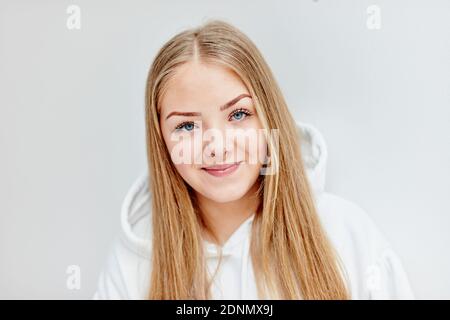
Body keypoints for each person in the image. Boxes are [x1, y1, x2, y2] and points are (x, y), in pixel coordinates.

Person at [93, 20, 414, 300]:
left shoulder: (345, 235)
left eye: (238, 114)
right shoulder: (134, 262)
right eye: (187, 126)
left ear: (268, 118)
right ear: (161, 139)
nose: (217, 147)